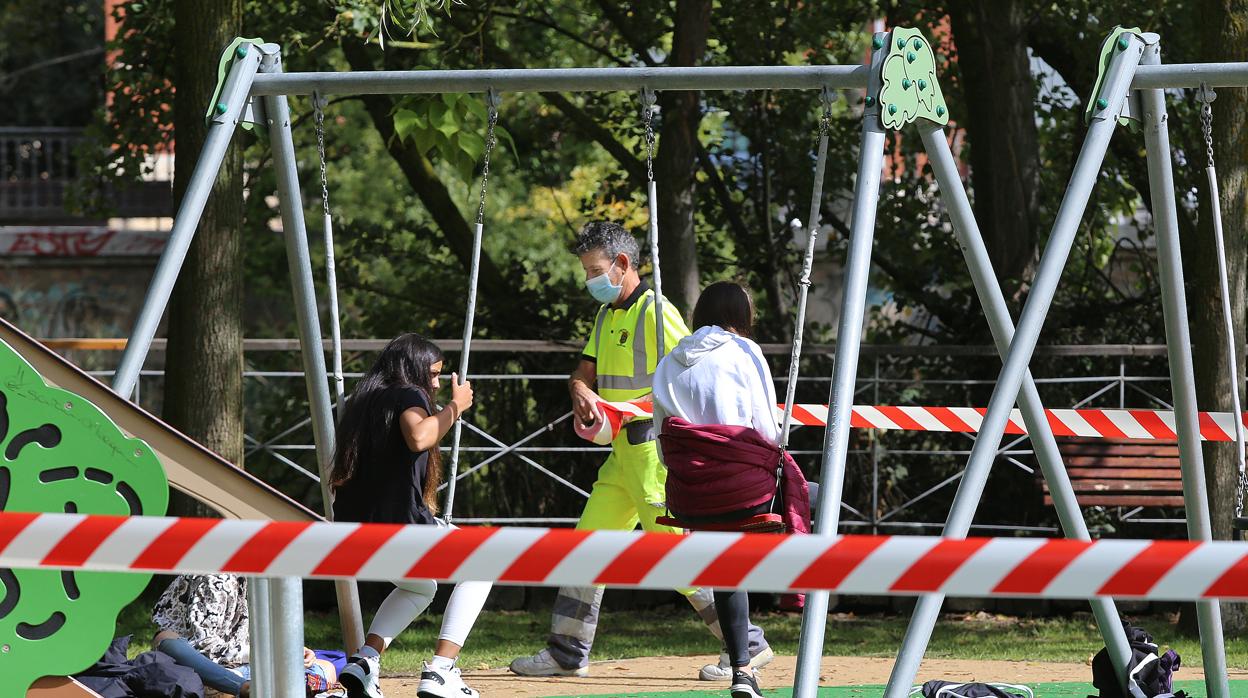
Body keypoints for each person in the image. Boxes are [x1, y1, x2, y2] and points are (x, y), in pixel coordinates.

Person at [509, 222, 772, 681]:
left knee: (681, 561)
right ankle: (567, 653)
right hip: (620, 457)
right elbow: (585, 369)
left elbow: (683, 385)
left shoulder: (658, 312)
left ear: (622, 264)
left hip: (652, 455)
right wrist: (579, 390)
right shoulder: (607, 313)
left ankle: (747, 645)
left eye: (594, 270)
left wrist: (615, 407)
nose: (588, 280)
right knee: (585, 547)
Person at [652, 281, 811, 698]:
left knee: (726, 565)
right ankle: (801, 590)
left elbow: (663, 440)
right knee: (813, 496)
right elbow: (767, 428)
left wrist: (695, 470)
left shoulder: (668, 361)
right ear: (741, 317)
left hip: (691, 496)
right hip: (746, 493)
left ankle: (742, 669)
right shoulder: (745, 352)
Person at [330, 333, 492, 698]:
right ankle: (441, 670)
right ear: (413, 370)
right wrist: (454, 407)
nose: (435, 383)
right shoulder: (408, 393)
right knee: (485, 562)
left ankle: (365, 661)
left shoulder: (361, 403)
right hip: (398, 530)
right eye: (432, 375)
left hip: (351, 533)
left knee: (419, 587)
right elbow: (420, 436)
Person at [151, 574, 338, 698]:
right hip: (205, 665)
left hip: (241, 661)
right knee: (164, 638)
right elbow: (204, 645)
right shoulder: (217, 578)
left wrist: (295, 651)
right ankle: (246, 687)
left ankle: (289, 687)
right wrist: (276, 652)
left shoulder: (258, 580)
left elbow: (253, 635)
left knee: (327, 667)